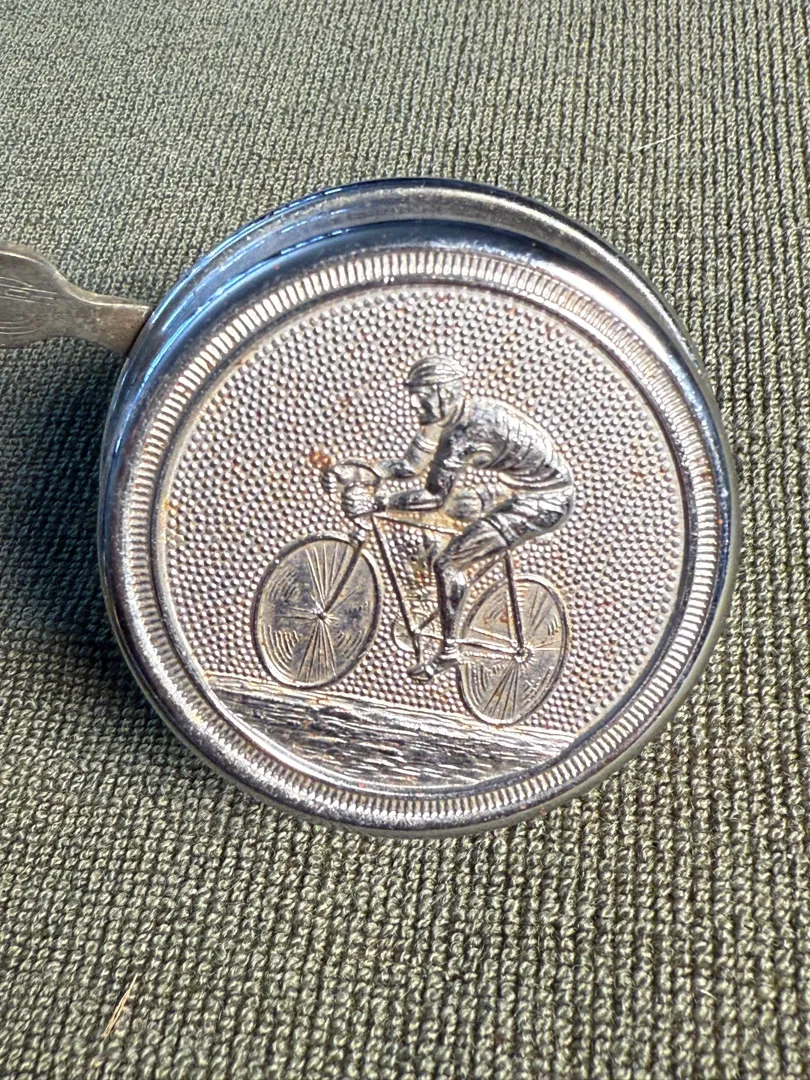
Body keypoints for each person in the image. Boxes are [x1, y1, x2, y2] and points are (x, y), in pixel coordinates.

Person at [341, 357, 574, 682]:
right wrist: (370, 471)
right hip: (513, 488)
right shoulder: (445, 417)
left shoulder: (466, 433)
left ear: (445, 394)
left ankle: (449, 650)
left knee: (448, 564)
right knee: (454, 512)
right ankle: (431, 603)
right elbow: (411, 466)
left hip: (545, 499)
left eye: (421, 396)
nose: (414, 404)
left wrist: (378, 502)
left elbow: (433, 497)